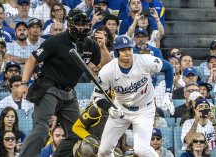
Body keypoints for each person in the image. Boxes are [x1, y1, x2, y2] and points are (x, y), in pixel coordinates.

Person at [16, 10, 111, 157]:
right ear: (70, 25)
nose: (81, 27)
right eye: (78, 24)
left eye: (84, 24)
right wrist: (23, 83)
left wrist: (103, 47)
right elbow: (32, 59)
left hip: (69, 93)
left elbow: (106, 67)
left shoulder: (90, 44)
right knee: (41, 129)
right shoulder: (57, 41)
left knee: (77, 131)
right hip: (49, 88)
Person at [93, 35, 173, 157]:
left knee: (141, 151)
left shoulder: (145, 60)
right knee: (103, 151)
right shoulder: (107, 71)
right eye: (123, 49)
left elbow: (168, 68)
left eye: (129, 49)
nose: (127, 52)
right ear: (116, 52)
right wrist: (109, 107)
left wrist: (168, 92)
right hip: (121, 109)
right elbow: (97, 97)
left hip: (144, 110)